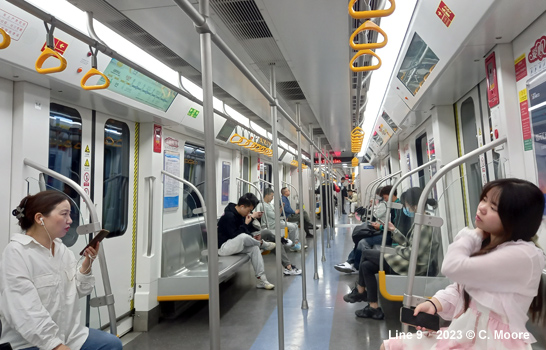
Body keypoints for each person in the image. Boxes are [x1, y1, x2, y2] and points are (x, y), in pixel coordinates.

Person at [382, 178, 546, 350]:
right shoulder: (488, 244)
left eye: (493, 208)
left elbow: (452, 267)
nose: (482, 207)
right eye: (484, 199)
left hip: (492, 341)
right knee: (390, 346)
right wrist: (435, 304)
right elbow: (462, 289)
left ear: (516, 218)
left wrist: (474, 234)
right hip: (466, 331)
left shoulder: (524, 255)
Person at [0, 191, 123, 350]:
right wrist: (55, 345)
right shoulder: (17, 253)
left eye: (70, 214)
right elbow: (25, 312)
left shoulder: (61, 250)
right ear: (40, 218)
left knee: (112, 344)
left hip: (69, 335)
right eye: (64, 214)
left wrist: (87, 264)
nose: (70, 221)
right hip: (30, 342)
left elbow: (79, 290)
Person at [343, 187, 438, 320]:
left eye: (406, 205)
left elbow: (413, 254)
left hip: (414, 266)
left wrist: (396, 250)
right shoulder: (420, 219)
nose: (406, 208)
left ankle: (360, 291)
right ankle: (373, 307)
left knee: (367, 254)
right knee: (366, 266)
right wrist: (394, 231)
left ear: (414, 205)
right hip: (408, 260)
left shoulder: (425, 225)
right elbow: (408, 244)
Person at [334, 186, 400, 274]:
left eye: (385, 197)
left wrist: (380, 226)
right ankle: (349, 262)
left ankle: (356, 266)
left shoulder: (398, 207)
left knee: (363, 242)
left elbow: (394, 226)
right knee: (362, 235)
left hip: (391, 236)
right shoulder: (392, 205)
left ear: (390, 194)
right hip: (386, 231)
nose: (386, 200)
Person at [217, 193, 276, 289]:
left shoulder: (239, 214)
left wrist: (251, 236)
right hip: (223, 248)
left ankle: (263, 280)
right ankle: (263, 244)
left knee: (254, 248)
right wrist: (245, 224)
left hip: (234, 245)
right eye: (249, 210)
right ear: (242, 206)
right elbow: (236, 236)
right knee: (243, 237)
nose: (249, 213)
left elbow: (243, 232)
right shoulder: (229, 216)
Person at [255, 188, 302, 276]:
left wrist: (281, 208)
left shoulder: (270, 205)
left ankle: (291, 245)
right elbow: (274, 215)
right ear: (267, 195)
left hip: (276, 221)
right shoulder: (263, 205)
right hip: (271, 225)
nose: (272, 198)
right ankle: (290, 245)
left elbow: (277, 214)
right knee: (292, 227)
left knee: (294, 226)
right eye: (272, 196)